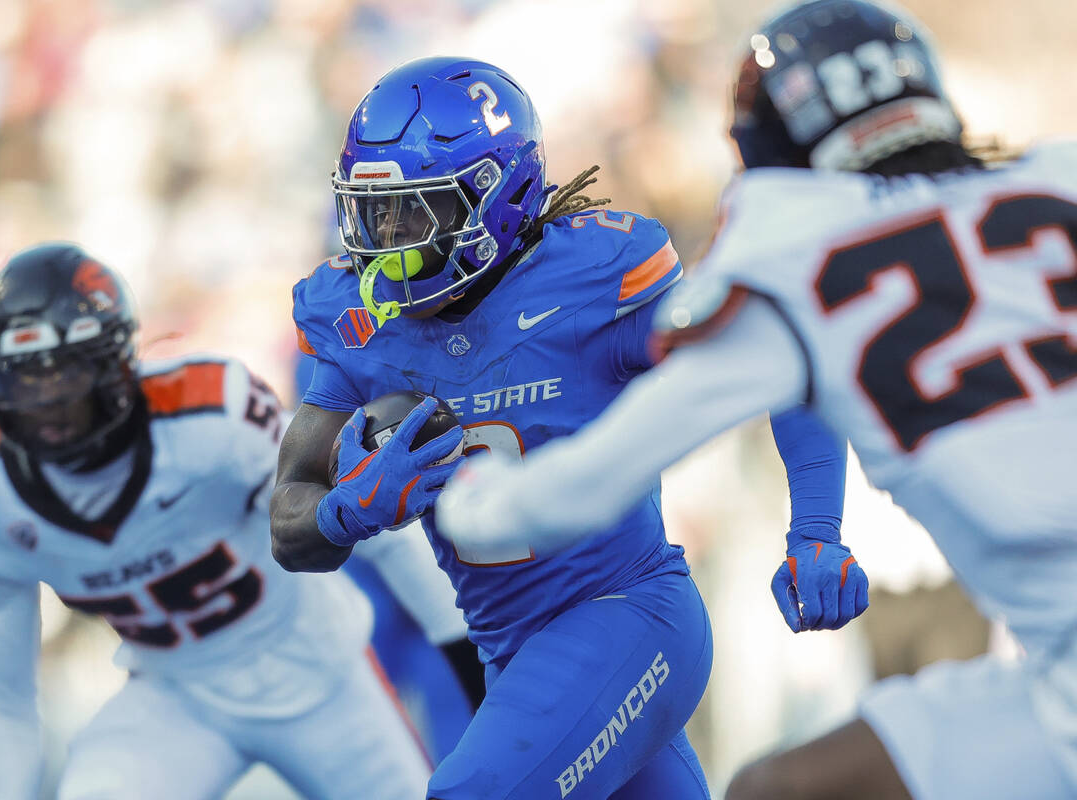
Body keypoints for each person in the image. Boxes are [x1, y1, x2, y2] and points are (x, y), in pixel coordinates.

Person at [435, 2, 1077, 799]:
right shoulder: (1060, 176)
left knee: (774, 788)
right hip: (1049, 660)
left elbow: (580, 488)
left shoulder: (797, 262)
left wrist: (467, 497)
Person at [270, 56, 862, 799]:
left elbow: (778, 361)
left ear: (496, 197)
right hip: (510, 654)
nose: (385, 243)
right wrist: (346, 510)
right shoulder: (361, 324)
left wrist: (817, 528)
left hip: (629, 613)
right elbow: (288, 525)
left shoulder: (595, 278)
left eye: (413, 213)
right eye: (372, 213)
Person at [0, 243, 434, 800]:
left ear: (117, 362)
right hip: (176, 697)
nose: (47, 403)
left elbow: (372, 517)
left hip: (319, 676)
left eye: (66, 375)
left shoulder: (210, 413)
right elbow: (4, 694)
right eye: (25, 379)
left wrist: (462, 641)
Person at [293, 352, 486, 760]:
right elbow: (302, 486)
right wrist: (343, 515)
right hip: (380, 553)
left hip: (444, 551)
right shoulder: (326, 342)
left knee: (466, 721)